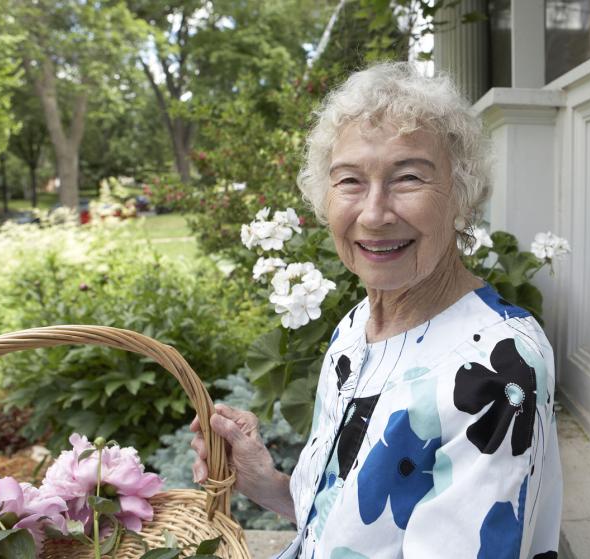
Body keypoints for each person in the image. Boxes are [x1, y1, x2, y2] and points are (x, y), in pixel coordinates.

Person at [190, 62, 562, 559]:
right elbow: (350, 526)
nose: (373, 214)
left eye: (407, 178)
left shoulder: (497, 370)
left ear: (463, 196)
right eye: (349, 181)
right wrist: (266, 482)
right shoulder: (355, 329)